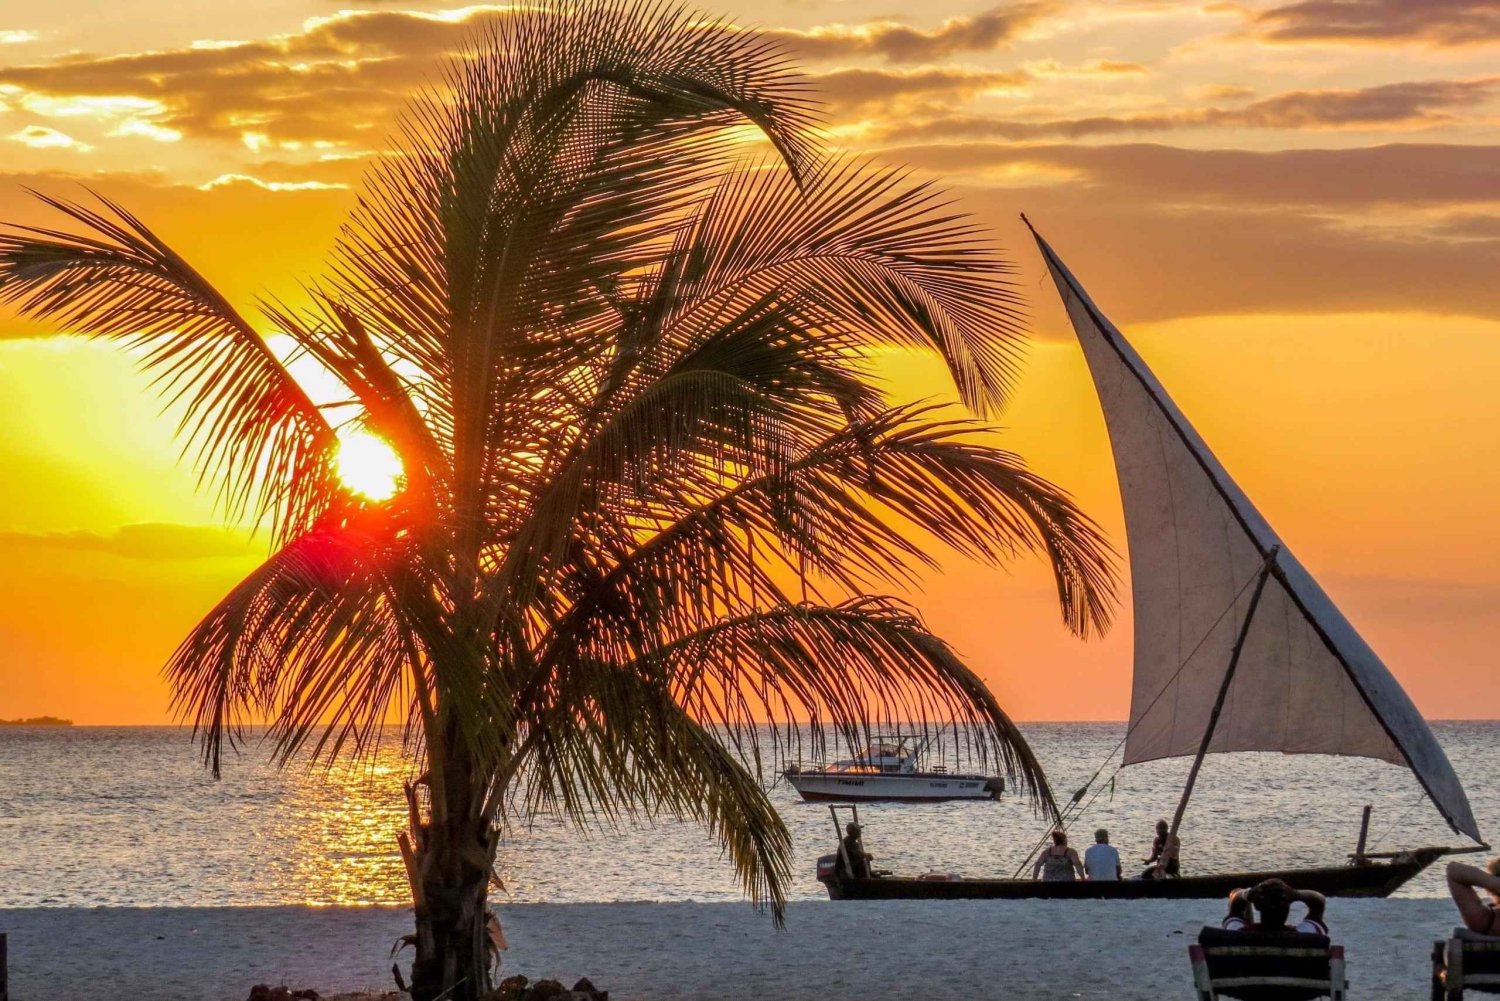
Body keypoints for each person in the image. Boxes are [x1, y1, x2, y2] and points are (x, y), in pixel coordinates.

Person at [1222, 878, 1328, 935]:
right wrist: (1296, 894)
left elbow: (1235, 898)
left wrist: (1248, 893)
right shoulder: (1305, 935)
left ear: (1258, 907)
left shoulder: (1237, 934)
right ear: (1288, 907)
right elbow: (1319, 901)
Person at [1446, 858, 1500, 935]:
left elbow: (1453, 870)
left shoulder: (1485, 921)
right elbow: (1452, 870)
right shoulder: (1487, 920)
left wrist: (1492, 883)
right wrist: (1494, 884)